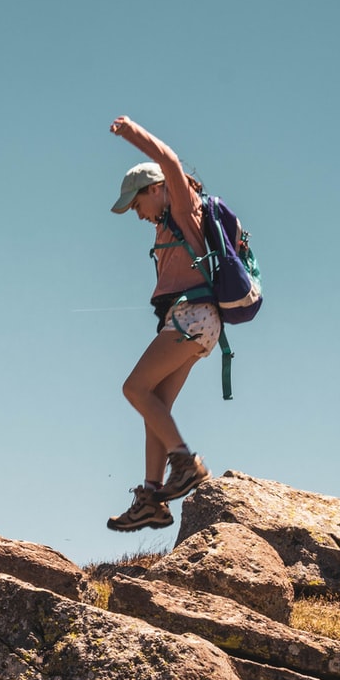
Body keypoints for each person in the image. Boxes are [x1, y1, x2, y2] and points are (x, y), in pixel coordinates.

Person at [105, 115, 214, 532]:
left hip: (192, 317)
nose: (137, 214)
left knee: (133, 388)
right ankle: (151, 498)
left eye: (137, 203)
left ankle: (185, 463)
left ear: (156, 189)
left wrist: (130, 132)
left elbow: (168, 159)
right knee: (156, 406)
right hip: (196, 323)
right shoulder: (168, 224)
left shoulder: (184, 207)